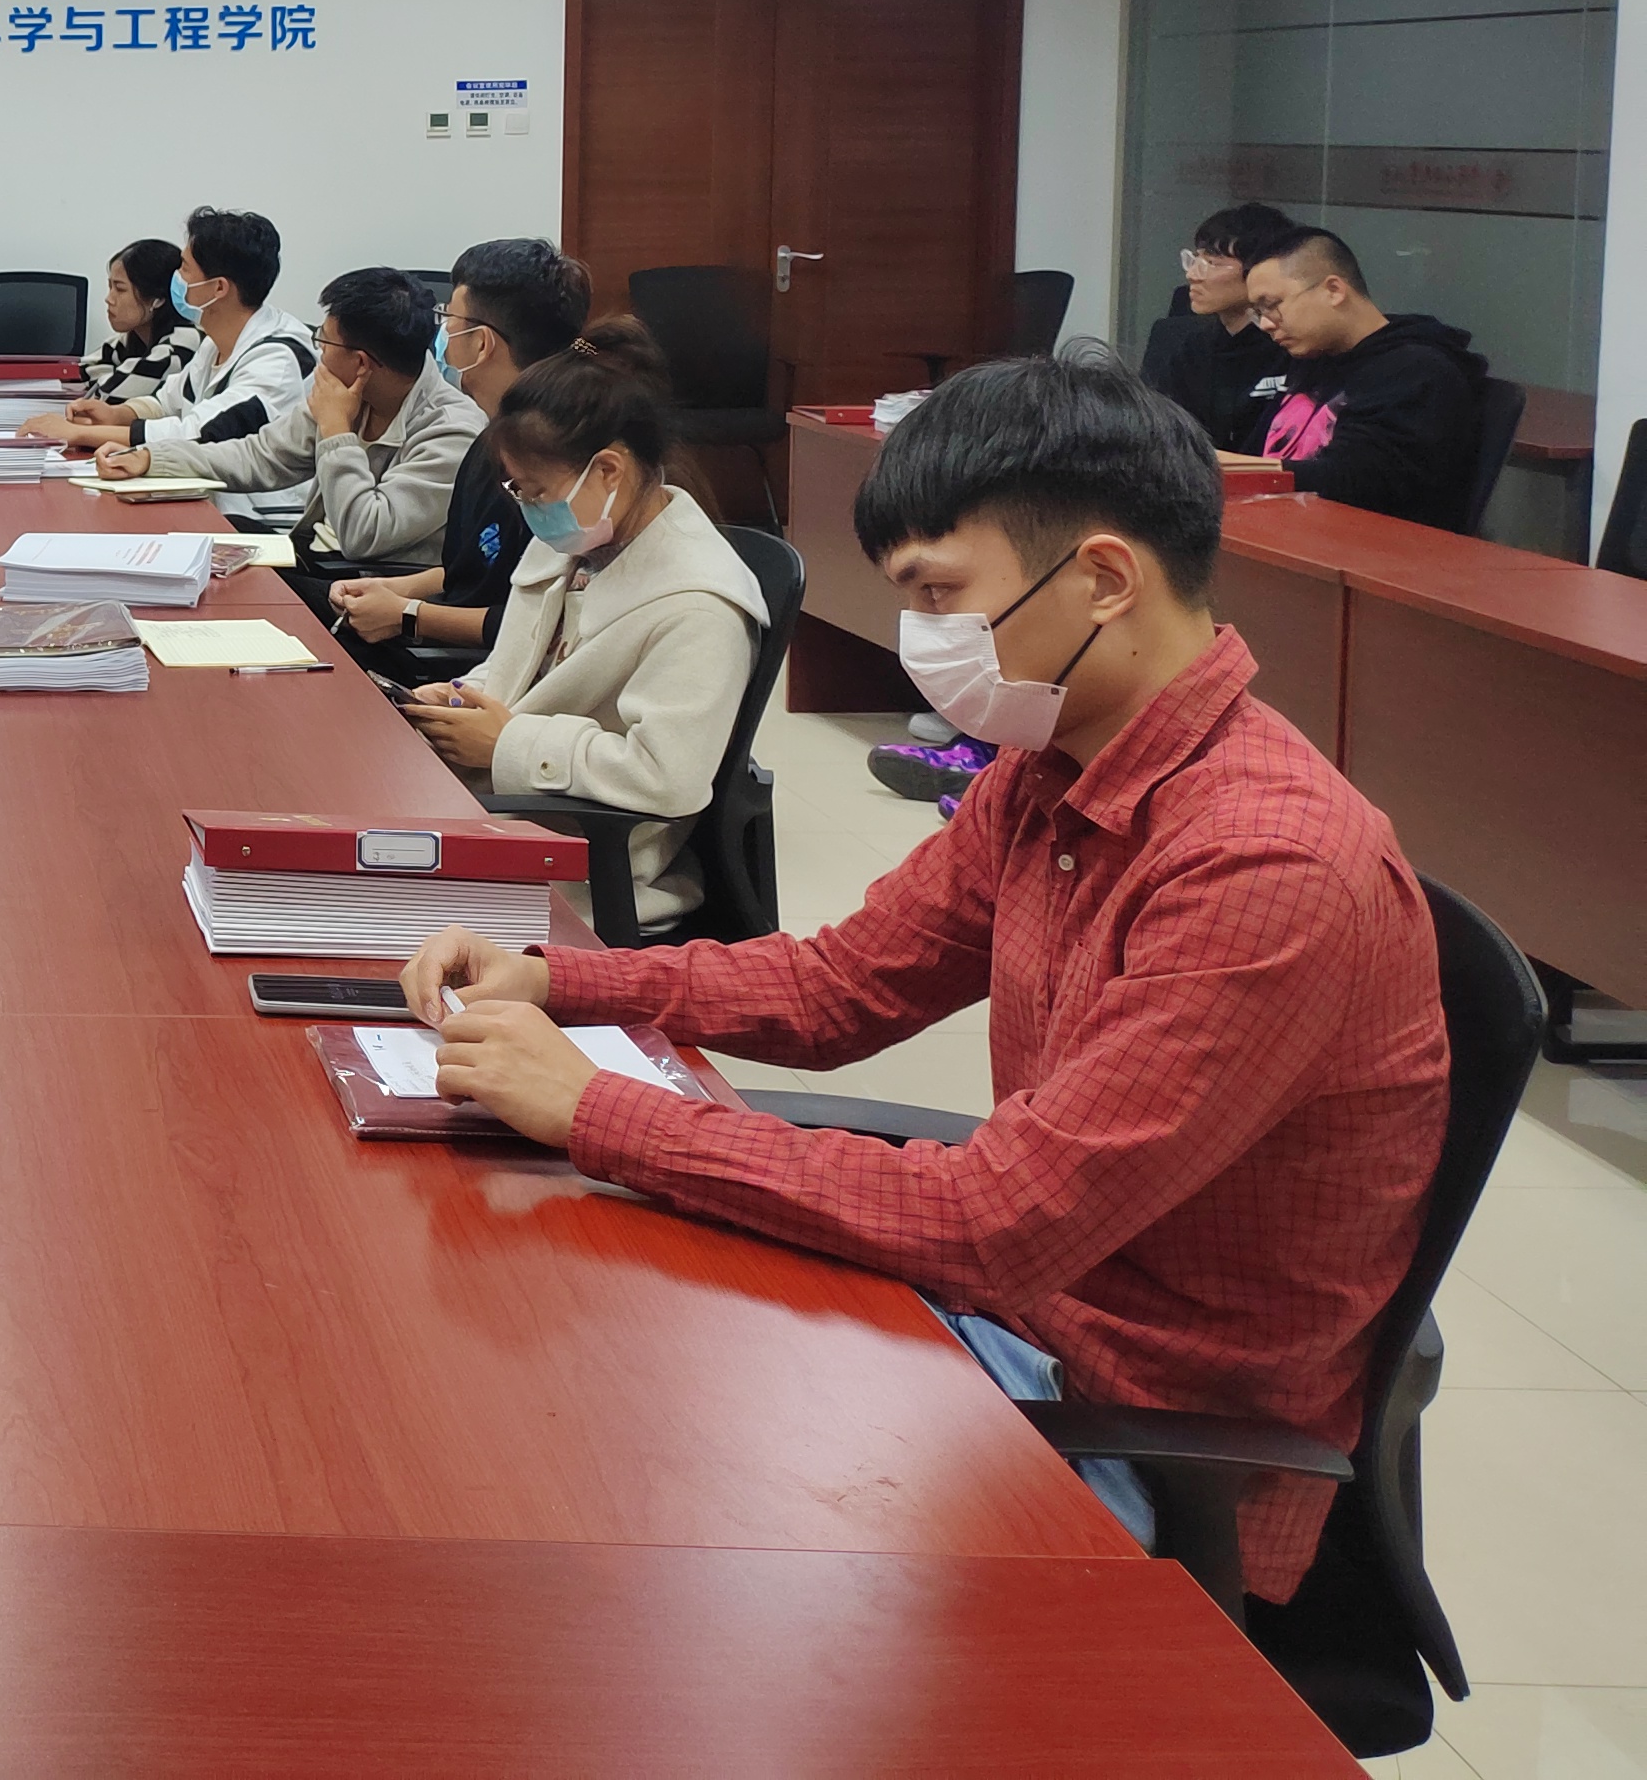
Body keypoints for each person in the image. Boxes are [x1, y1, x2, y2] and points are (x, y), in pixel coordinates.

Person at [403, 356, 1446, 1611]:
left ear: (1104, 579)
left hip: (1134, 1442)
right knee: (548, 1374)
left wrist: (594, 1110)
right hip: (1009, 1329)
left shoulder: (1265, 868)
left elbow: (993, 1226)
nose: (922, 641)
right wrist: (554, 983)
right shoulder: (1056, 764)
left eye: (941, 595)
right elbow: (838, 989)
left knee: (605, 1516)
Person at [395, 317, 767, 930]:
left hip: (587, 869)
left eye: (536, 492)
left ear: (608, 471)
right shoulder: (580, 539)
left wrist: (507, 744)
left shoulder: (700, 604)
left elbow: (667, 778)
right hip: (501, 813)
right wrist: (462, 698)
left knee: (348, 903)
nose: (529, 508)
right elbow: (523, 669)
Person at [93, 265, 480, 586]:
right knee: (206, 536)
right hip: (314, 560)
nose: (319, 352)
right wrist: (152, 458)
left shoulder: (452, 431)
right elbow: (259, 456)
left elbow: (365, 535)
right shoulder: (349, 393)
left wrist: (336, 431)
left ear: (361, 363)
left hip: (365, 588)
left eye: (325, 341)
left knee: (224, 587)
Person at [329, 238, 591, 679]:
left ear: (481, 343)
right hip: (445, 638)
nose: (442, 336)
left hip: (483, 668)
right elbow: (471, 569)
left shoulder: (556, 461)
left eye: (448, 319)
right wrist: (393, 588)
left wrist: (408, 614)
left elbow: (540, 621)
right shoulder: (494, 436)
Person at [26, 207, 315, 524]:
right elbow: (167, 401)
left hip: (256, 519)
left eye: (185, 269)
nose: (176, 279)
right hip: (199, 495)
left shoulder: (278, 360)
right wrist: (119, 414)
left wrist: (79, 433)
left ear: (218, 288)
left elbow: (199, 434)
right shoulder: (215, 340)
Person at [1236, 227, 1489, 527]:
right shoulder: (1312, 359)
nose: (1265, 324)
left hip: (1360, 542)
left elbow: (1356, 483)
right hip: (1276, 527)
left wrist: (1233, 472)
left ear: (1333, 290)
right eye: (1258, 312)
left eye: (1272, 306)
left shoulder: (1417, 372)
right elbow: (1255, 452)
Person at [1137, 201, 1299, 446]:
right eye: (1194, 260)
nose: (1192, 275)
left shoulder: (1294, 349)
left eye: (1212, 264)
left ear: (1261, 270)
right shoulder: (1189, 350)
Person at [79, 239, 194, 407]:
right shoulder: (135, 336)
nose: (109, 299)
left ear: (157, 299)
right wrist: (116, 377)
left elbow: (110, 395)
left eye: (120, 289)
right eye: (110, 287)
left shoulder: (184, 342)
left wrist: (113, 379)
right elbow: (85, 367)